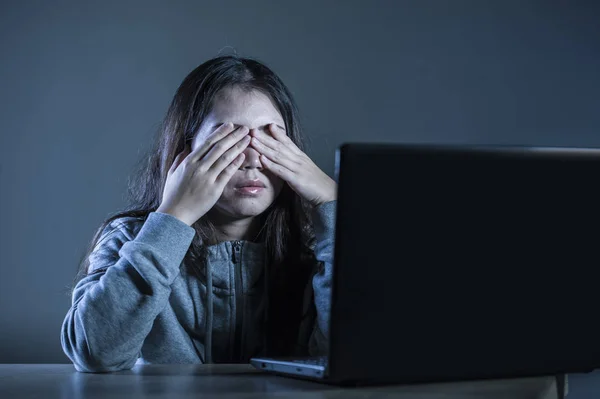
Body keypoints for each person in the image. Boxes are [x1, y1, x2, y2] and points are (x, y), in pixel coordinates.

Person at [60, 55, 337, 372]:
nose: (252, 160)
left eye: (270, 136)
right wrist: (173, 216)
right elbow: (95, 353)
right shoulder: (129, 238)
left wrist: (335, 212)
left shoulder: (317, 247)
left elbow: (353, 352)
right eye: (228, 138)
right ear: (186, 150)